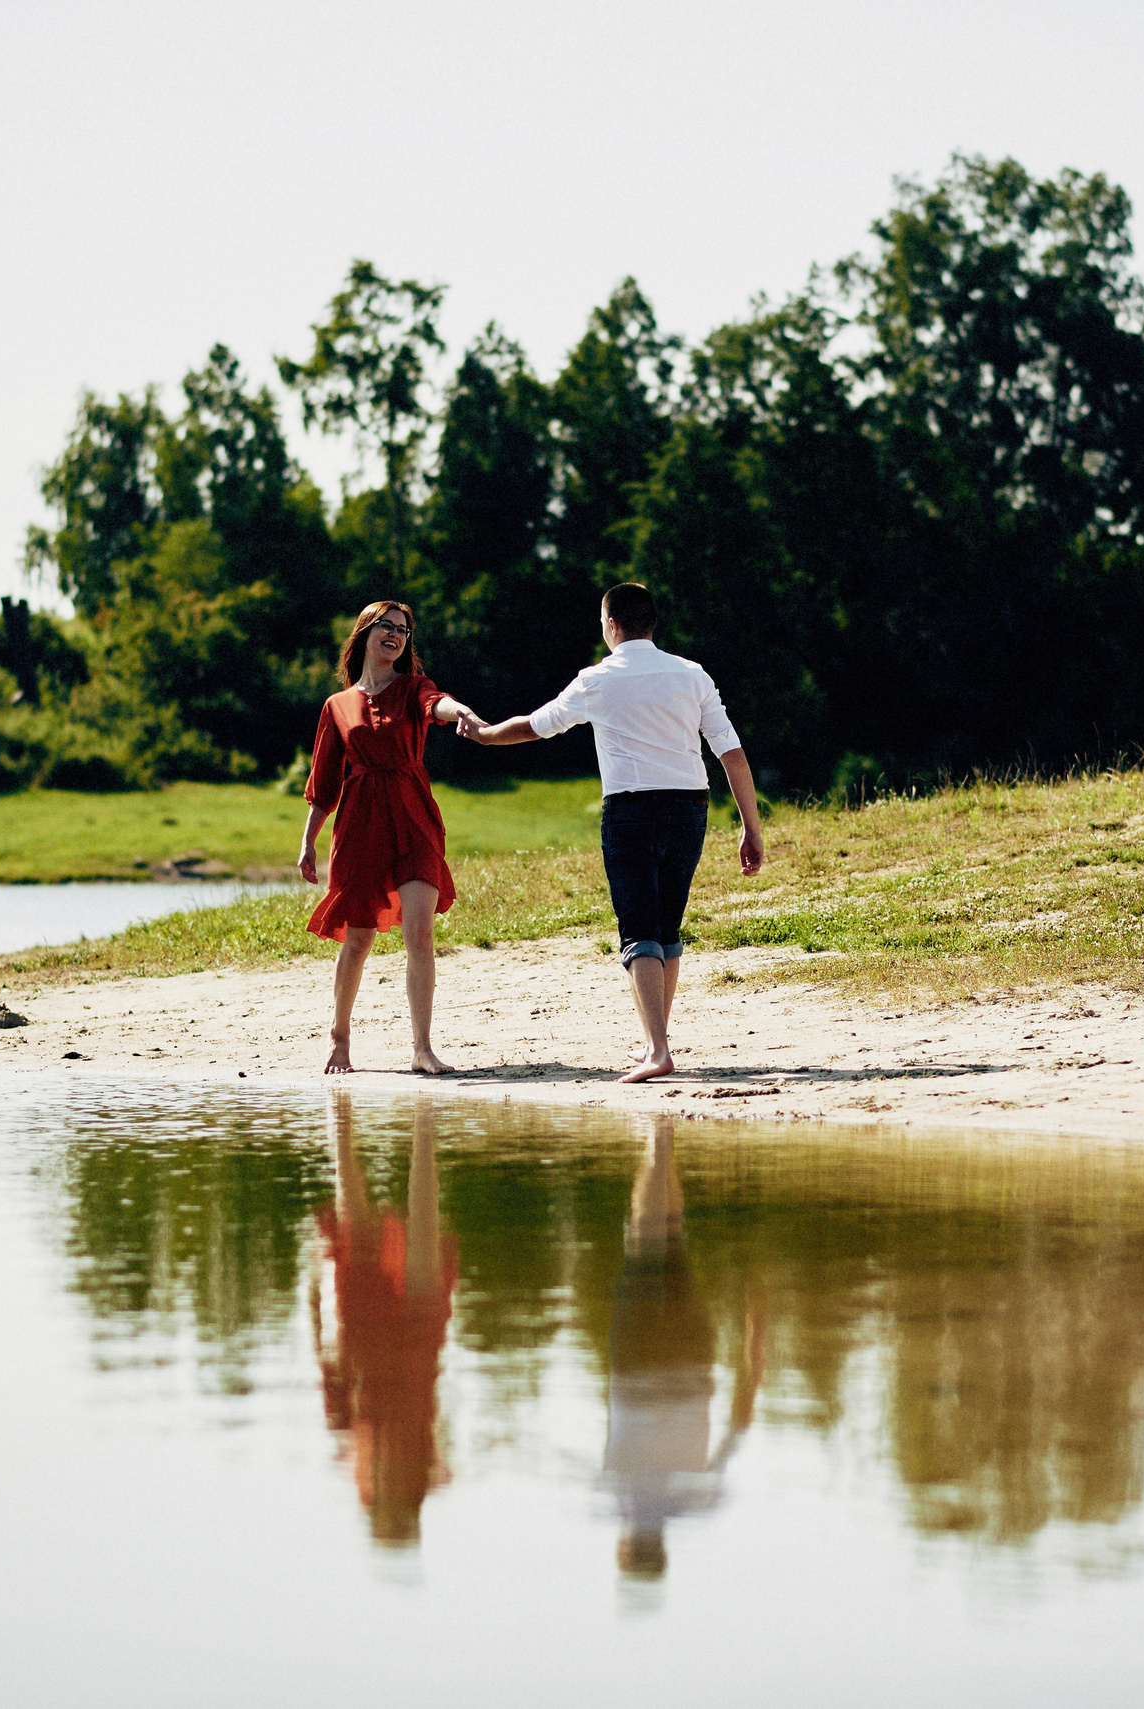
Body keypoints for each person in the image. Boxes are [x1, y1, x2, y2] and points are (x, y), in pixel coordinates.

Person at [460, 582, 764, 1083]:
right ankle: (655, 1042)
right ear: (652, 623)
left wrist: (484, 733)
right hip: (691, 807)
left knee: (639, 929)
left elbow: (537, 726)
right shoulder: (692, 675)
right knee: (666, 928)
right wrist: (751, 828)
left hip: (630, 811)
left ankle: (658, 1050)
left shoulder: (597, 680)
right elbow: (730, 751)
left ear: (611, 625)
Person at [299, 600, 479, 1075]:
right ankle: (339, 1039)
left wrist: (457, 709)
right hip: (360, 825)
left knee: (419, 931)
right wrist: (307, 843)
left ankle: (422, 1047)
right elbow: (323, 783)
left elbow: (434, 704)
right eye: (388, 626)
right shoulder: (337, 706)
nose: (396, 635)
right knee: (356, 939)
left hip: (414, 815)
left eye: (404, 630)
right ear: (365, 633)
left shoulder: (413, 688)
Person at [603, 1114, 765, 1582]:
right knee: (645, 1239)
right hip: (637, 1372)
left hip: (689, 1365)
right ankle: (659, 1140)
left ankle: (663, 1144)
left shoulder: (698, 1498)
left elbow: (741, 1420)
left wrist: (756, 1340)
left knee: (669, 1239)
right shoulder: (618, 1499)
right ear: (626, 1544)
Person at [313, 1094, 456, 1546]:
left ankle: (356, 1118)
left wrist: (313, 1293)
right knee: (412, 1212)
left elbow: (326, 1364)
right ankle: (421, 1123)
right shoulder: (430, 1462)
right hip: (415, 1325)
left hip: (366, 1326)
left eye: (386, 1504)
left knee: (354, 1205)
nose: (389, 1487)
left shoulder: (351, 1443)